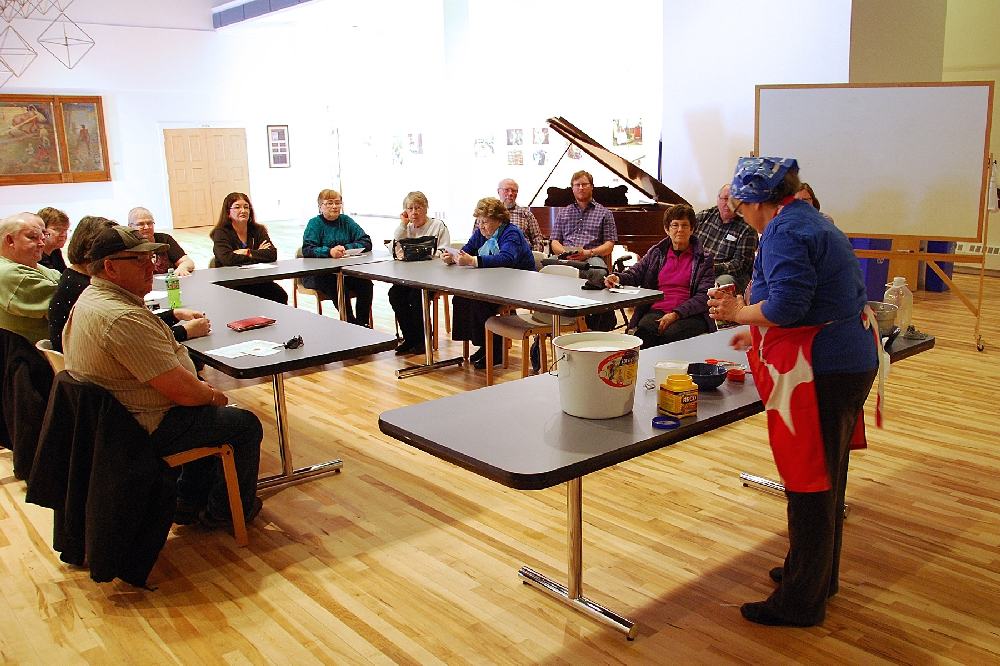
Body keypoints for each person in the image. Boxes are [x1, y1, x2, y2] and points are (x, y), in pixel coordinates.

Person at [707, 157, 880, 628]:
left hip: (825, 369)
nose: (739, 211)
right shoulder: (808, 219)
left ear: (761, 199)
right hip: (846, 358)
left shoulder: (784, 231)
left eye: (742, 204)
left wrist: (740, 314)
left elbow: (787, 305)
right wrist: (756, 330)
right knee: (827, 478)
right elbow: (808, 301)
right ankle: (817, 576)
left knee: (810, 484)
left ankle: (802, 602)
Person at [63, 226, 264, 529]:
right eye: (139, 259)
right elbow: (182, 392)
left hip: (116, 420)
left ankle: (188, 499)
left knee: (205, 414)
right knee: (243, 424)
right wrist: (212, 396)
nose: (153, 265)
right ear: (110, 267)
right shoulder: (121, 318)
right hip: (142, 426)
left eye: (152, 256)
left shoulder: (92, 299)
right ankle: (225, 511)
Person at [48, 217, 210, 352]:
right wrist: (186, 331)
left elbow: (138, 327)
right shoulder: (89, 291)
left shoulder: (77, 278)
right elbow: (138, 338)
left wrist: (173, 315)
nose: (151, 267)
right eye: (139, 259)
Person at [605, 204, 716, 348]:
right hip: (658, 308)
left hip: (689, 313)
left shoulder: (704, 259)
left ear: (692, 229)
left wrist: (676, 314)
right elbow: (637, 272)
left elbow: (703, 296)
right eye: (675, 225)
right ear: (667, 229)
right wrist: (618, 278)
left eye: (685, 225)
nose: (680, 230)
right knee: (644, 331)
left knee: (671, 334)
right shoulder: (657, 252)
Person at [445, 197, 537, 369]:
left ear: (498, 220)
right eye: (479, 222)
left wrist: (472, 261)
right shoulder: (481, 233)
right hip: (493, 282)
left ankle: (496, 350)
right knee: (462, 298)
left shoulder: (511, 233)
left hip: (519, 284)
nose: (481, 226)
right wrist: (453, 257)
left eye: (485, 222)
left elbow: (507, 259)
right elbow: (467, 251)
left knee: (481, 302)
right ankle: (483, 344)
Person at [389, 191, 451, 355]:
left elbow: (444, 250)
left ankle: (423, 339)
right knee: (395, 294)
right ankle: (410, 338)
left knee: (416, 297)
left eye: (418, 208)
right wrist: (402, 225)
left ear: (426, 209)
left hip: (432, 277)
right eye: (410, 208)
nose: (414, 212)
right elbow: (393, 248)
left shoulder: (437, 226)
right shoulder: (406, 227)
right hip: (409, 277)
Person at [301, 189, 374, 326]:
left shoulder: (346, 221)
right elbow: (308, 249)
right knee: (337, 287)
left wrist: (346, 248)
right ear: (320, 206)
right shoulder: (314, 224)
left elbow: (366, 241)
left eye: (337, 203)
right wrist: (329, 252)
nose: (334, 206)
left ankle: (363, 323)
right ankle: (350, 323)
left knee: (365, 284)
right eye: (329, 203)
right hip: (320, 274)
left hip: (345, 271)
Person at [211, 192, 288, 304]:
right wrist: (257, 254)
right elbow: (227, 258)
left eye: (246, 207)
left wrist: (246, 252)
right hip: (233, 284)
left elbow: (271, 254)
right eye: (237, 207)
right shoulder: (221, 233)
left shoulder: (258, 230)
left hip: (258, 281)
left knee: (279, 295)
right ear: (228, 212)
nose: (243, 210)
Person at [0, 212, 60, 344]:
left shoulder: (28, 264)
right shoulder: (7, 273)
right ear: (10, 240)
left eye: (42, 237)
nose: (41, 244)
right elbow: (65, 303)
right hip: (34, 359)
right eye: (33, 237)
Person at [549, 170, 618, 280]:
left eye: (584, 184)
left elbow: (609, 245)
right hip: (566, 256)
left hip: (591, 256)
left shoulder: (605, 213)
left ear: (591, 187)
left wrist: (588, 253)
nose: (581, 188)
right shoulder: (563, 213)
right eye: (577, 185)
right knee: (546, 267)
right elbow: (554, 241)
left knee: (599, 272)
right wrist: (565, 253)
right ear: (572, 188)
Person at [694, 184, 758, 295]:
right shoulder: (704, 217)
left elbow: (740, 265)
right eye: (725, 199)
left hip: (728, 274)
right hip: (698, 267)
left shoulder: (747, 227)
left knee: (720, 285)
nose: (728, 204)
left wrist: (713, 268)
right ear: (718, 199)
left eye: (733, 200)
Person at [471, 179, 545, 253]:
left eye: (513, 191)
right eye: (506, 190)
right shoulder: (485, 215)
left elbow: (537, 240)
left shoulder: (527, 215)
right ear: (498, 192)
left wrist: (533, 257)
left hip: (521, 258)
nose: (510, 193)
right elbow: (475, 241)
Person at [128, 207, 196, 276]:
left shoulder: (165, 239)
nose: (146, 227)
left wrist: (182, 268)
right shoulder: (128, 244)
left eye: (149, 223)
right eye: (141, 224)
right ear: (130, 226)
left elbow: (187, 262)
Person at [37, 207, 70, 273]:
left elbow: (63, 275)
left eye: (65, 230)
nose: (63, 234)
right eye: (58, 229)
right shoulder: (36, 254)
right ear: (42, 230)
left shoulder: (55, 251)